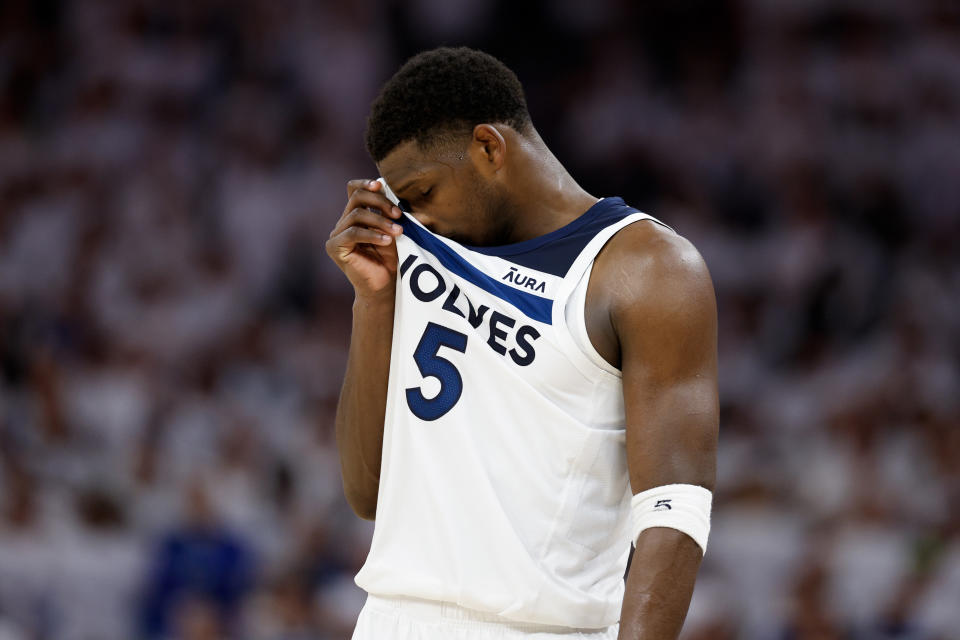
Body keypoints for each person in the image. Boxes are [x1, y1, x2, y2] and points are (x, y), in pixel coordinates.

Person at [325, 47, 718, 640]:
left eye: (425, 192)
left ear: (489, 147)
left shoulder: (646, 268)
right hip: (391, 619)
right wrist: (373, 301)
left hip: (545, 628)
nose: (419, 218)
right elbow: (366, 493)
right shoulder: (418, 251)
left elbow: (675, 509)